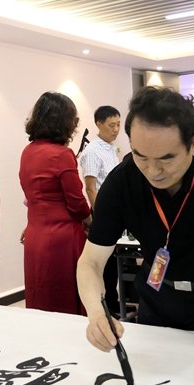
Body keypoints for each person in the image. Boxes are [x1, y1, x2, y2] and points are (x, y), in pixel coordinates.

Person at [77, 86, 194, 377]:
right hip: (159, 301)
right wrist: (95, 312)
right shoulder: (123, 181)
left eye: (167, 158)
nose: (153, 171)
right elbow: (90, 261)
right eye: (141, 156)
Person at [20, 92, 92, 315]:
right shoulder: (62, 154)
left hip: (35, 234)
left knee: (40, 295)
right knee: (66, 297)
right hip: (62, 237)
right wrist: (90, 221)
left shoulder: (28, 151)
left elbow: (33, 195)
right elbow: (76, 201)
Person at [79, 106, 122, 313]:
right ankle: (108, 307)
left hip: (114, 212)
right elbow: (90, 188)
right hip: (102, 213)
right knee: (105, 267)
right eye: (111, 125)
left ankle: (115, 304)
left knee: (114, 266)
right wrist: (101, 217)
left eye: (118, 125)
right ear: (98, 124)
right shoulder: (92, 151)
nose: (116, 130)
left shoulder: (110, 147)